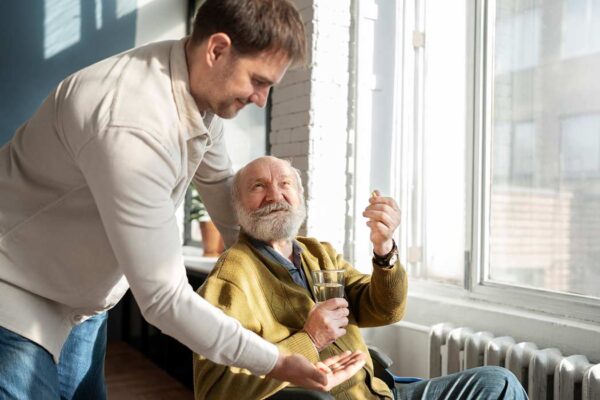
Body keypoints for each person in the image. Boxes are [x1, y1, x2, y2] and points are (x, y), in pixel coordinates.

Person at [0, 0, 366, 398]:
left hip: (82, 305)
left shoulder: (199, 95)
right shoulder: (131, 123)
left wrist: (285, 269)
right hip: (17, 292)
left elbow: (224, 189)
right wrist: (277, 360)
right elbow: (163, 298)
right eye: (258, 81)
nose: (261, 99)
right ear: (217, 50)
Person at [193, 156, 528, 400]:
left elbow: (384, 309)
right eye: (258, 186)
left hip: (380, 389)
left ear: (299, 197)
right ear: (239, 207)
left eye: (284, 184)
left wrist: (384, 250)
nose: (274, 194)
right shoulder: (232, 277)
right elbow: (215, 390)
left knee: (497, 383)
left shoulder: (316, 252)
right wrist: (309, 340)